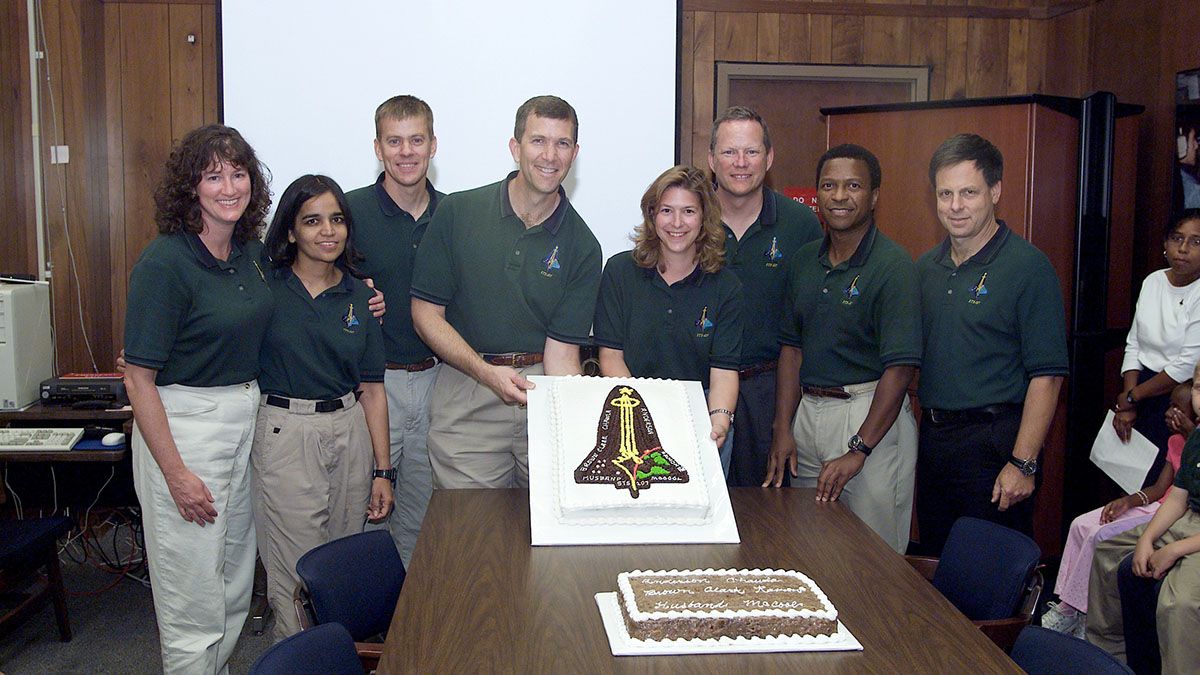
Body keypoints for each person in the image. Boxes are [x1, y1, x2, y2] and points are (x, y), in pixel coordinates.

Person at [123, 124, 274, 673]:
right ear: (191, 188)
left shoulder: (251, 254)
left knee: (233, 584)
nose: (229, 187)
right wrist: (176, 475)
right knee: (192, 599)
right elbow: (138, 379)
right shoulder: (164, 263)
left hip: (242, 420)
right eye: (213, 176)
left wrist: (367, 299)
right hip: (185, 429)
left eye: (238, 174)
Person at [410, 95, 602, 488]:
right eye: (538, 141)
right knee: (472, 537)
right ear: (515, 147)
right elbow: (425, 313)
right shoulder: (459, 213)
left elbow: (562, 354)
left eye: (562, 143)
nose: (549, 155)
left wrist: (580, 422)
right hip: (468, 388)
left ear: (575, 153)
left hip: (544, 395)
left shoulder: (584, 245)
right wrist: (486, 373)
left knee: (546, 537)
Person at [253, 174, 393, 642]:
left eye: (336, 219)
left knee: (340, 566)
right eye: (312, 221)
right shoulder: (264, 286)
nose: (327, 231)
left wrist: (382, 470)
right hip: (287, 433)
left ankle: (335, 657)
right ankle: (299, 657)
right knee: (297, 575)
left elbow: (373, 389)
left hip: (350, 429)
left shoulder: (362, 297)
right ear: (291, 231)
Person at [914, 133, 1069, 556]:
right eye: (945, 194)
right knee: (937, 568)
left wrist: (1023, 463)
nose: (955, 206)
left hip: (996, 444)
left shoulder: (1028, 267)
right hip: (935, 441)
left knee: (988, 578)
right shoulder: (926, 268)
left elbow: (1048, 376)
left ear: (995, 191)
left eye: (969, 192)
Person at [764, 144, 921, 553]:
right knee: (809, 550)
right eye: (829, 186)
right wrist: (784, 427)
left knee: (874, 558)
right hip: (808, 416)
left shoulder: (893, 265)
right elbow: (791, 350)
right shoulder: (802, 262)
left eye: (853, 186)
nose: (839, 196)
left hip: (868, 417)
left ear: (874, 196)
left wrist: (860, 448)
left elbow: (900, 370)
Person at [345, 95, 444, 566]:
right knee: (365, 510)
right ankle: (362, 626)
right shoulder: (345, 214)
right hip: (370, 387)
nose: (406, 152)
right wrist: (350, 293)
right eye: (395, 141)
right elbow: (304, 281)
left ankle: (406, 625)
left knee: (422, 517)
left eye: (416, 140)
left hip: (436, 382)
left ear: (433, 145)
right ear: (378, 148)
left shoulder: (454, 216)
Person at [707, 106, 823, 485]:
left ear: (769, 158)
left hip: (770, 391)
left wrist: (784, 419)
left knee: (768, 514)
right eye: (729, 152)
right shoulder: (686, 219)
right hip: (701, 389)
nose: (740, 163)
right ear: (711, 160)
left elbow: (811, 320)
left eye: (751, 152)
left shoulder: (801, 225)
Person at [593, 165, 742, 450]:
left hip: (702, 420)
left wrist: (720, 422)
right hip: (634, 415)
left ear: (704, 218)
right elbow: (611, 357)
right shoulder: (620, 271)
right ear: (651, 215)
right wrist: (644, 416)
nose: (677, 223)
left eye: (688, 211)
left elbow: (723, 370)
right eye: (666, 211)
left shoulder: (726, 285)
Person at [1042, 382, 1192, 637]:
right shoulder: (1175, 441)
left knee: (1099, 537)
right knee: (1081, 524)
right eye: (1169, 405)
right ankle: (1067, 607)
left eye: (1176, 408)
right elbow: (1159, 488)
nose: (1168, 413)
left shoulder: (1192, 445)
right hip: (1156, 505)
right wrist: (1128, 502)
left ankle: (1084, 616)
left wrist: (1192, 437)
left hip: (1169, 516)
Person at [1086, 367, 1200, 675]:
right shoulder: (1196, 439)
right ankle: (1107, 658)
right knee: (1108, 552)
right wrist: (1147, 539)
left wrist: (1175, 550)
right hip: (1187, 517)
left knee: (1178, 604)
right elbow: (1177, 498)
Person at [1111, 209, 1200, 489]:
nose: (1183, 249)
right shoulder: (1153, 281)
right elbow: (1134, 342)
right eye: (1177, 238)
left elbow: (1185, 365)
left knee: (1161, 486)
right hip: (1139, 388)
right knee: (1127, 481)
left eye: (1196, 242)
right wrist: (1128, 402)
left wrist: (1133, 396)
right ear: (1165, 243)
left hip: (1179, 398)